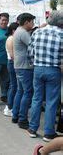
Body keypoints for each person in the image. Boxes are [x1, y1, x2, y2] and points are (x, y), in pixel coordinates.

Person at [27, 11, 63, 142]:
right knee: (51, 102)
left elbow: (30, 52)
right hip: (54, 70)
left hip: (38, 69)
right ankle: (48, 133)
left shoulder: (37, 32)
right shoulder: (61, 34)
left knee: (36, 98)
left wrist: (34, 64)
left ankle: (32, 129)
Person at [11, 13, 36, 129]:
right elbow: (33, 46)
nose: (33, 24)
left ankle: (15, 115)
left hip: (19, 66)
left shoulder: (18, 31)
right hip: (25, 67)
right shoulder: (23, 33)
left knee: (20, 91)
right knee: (27, 92)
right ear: (27, 22)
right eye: (32, 22)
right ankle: (22, 119)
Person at [3, 22, 19, 117]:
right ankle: (9, 107)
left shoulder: (12, 38)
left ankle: (10, 106)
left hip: (13, 63)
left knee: (14, 86)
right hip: (12, 63)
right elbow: (12, 55)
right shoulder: (11, 38)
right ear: (13, 30)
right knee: (13, 86)